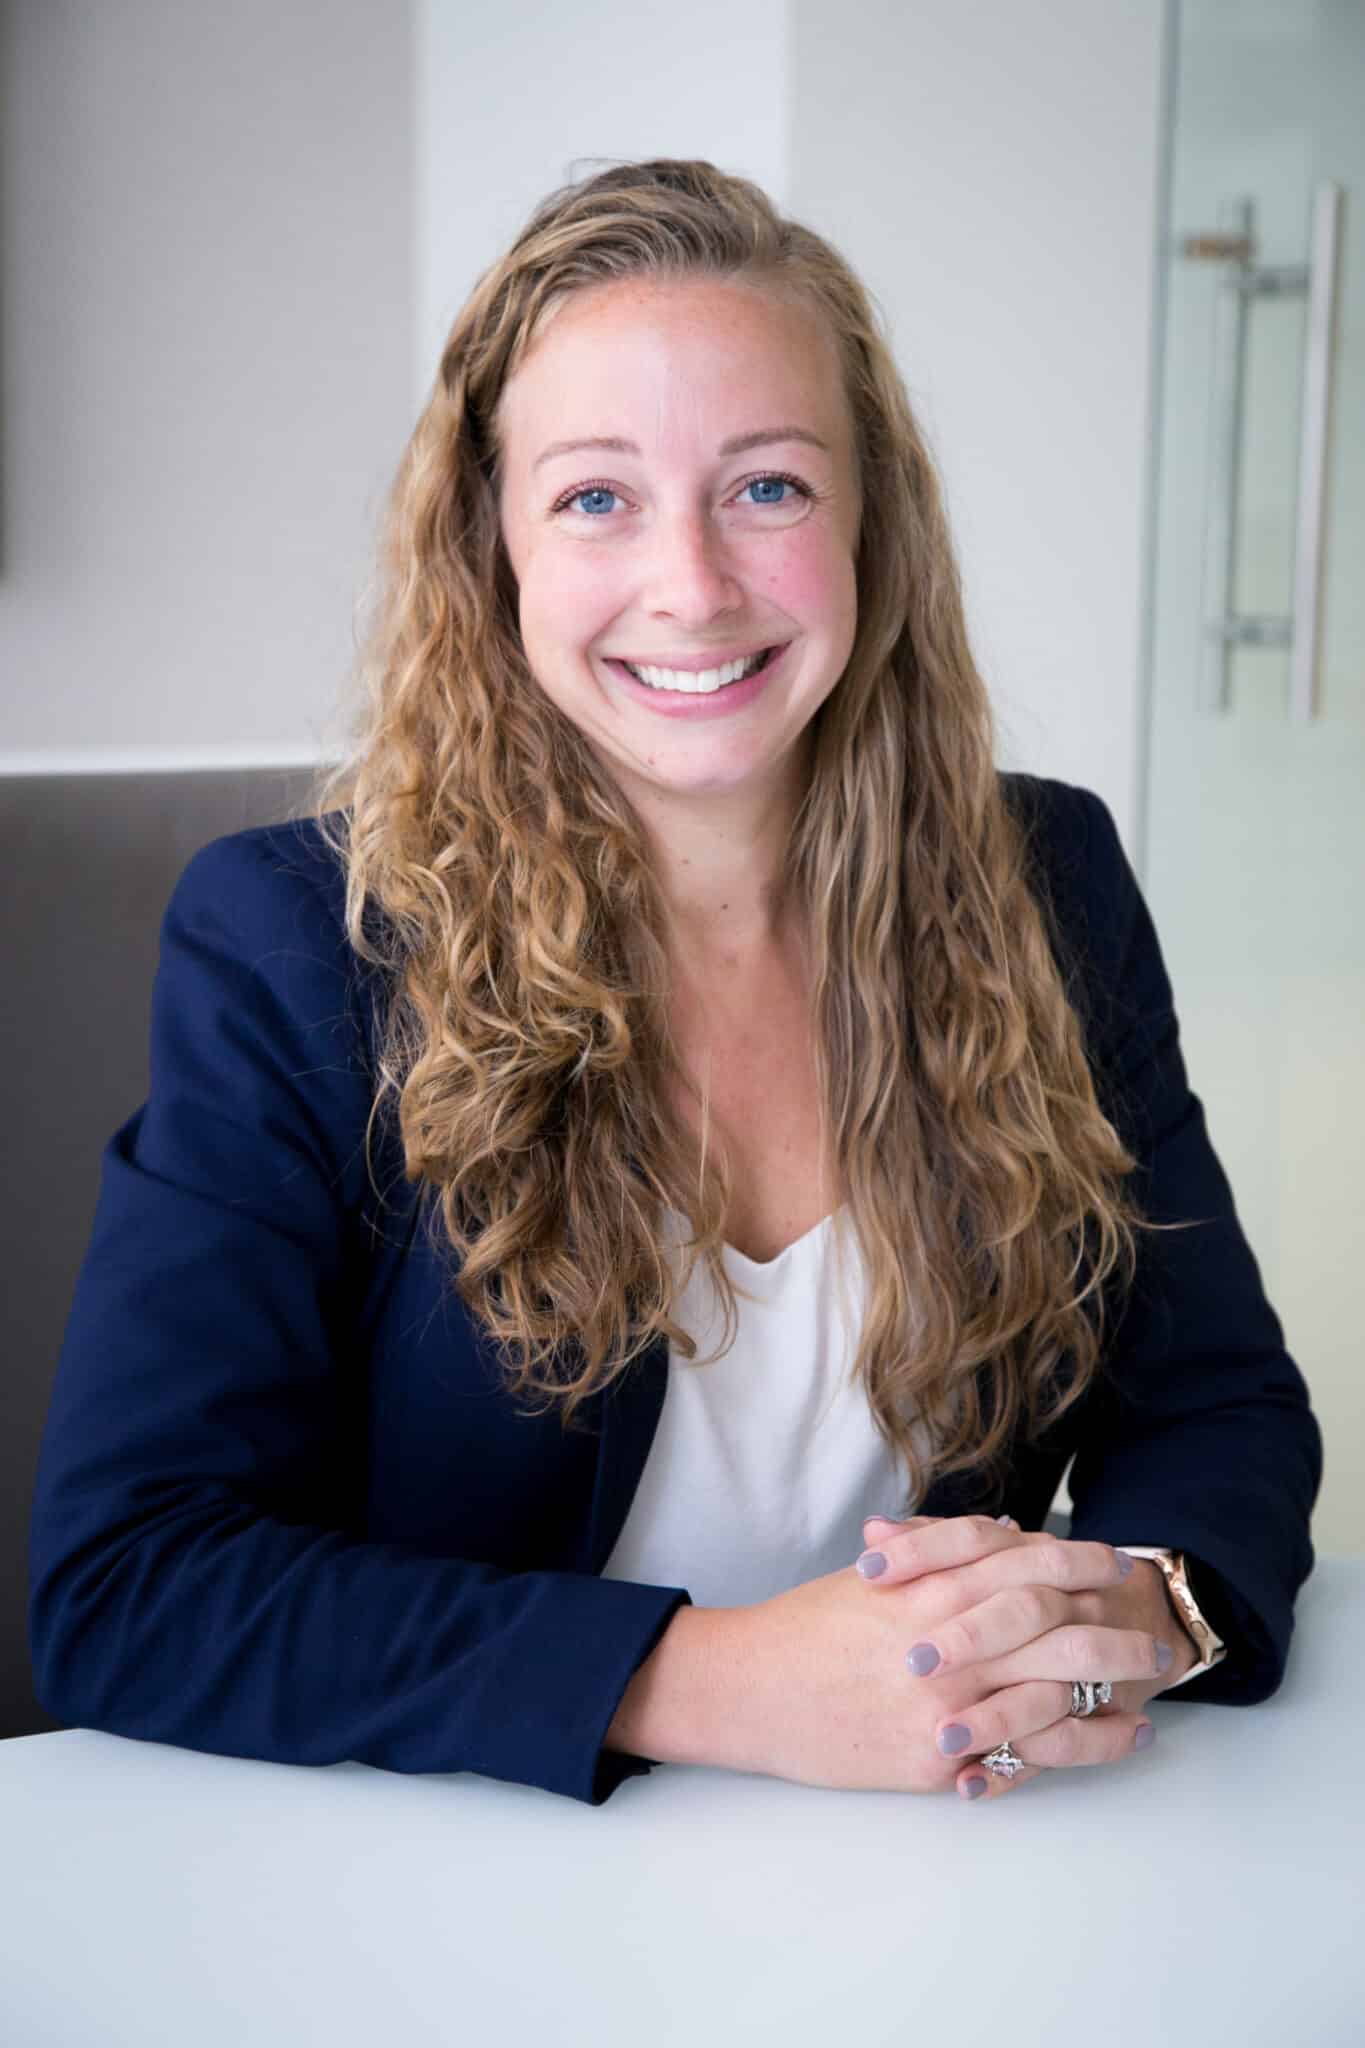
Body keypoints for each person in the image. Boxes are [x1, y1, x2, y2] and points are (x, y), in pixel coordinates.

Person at [28, 158, 1321, 1808]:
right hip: (462, 1883)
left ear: (871, 523)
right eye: (594, 498)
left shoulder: (1043, 882)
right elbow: (130, 1583)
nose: (693, 586)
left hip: (950, 1860)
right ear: (489, 547)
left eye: (768, 487)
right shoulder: (298, 943)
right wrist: (705, 1680)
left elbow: (1209, 1397)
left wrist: (1143, 1607)